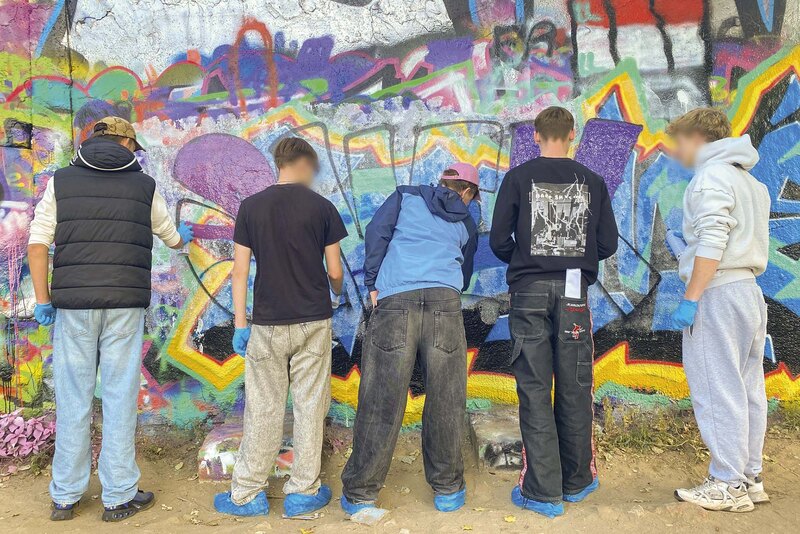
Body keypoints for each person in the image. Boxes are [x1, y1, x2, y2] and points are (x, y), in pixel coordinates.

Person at [27, 117, 194, 522]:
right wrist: (182, 237)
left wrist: (43, 300)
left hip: (73, 306)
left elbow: (37, 244)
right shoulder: (143, 186)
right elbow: (171, 237)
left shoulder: (61, 181)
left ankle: (65, 496)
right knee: (120, 397)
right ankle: (118, 496)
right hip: (124, 305)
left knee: (73, 398)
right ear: (125, 142)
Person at [489, 106, 618, 518]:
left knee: (534, 387)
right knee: (575, 385)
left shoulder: (518, 178)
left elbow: (498, 239)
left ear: (536, 135)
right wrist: (577, 257)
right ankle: (577, 481)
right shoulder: (593, 181)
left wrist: (525, 260)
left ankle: (542, 492)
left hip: (529, 290)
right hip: (575, 292)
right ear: (572, 134)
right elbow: (608, 243)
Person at [213, 137, 347, 517]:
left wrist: (241, 324)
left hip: (267, 323)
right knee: (310, 405)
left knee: (263, 406)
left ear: (278, 163)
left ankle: (246, 494)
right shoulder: (322, 207)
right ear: (304, 164)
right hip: (314, 320)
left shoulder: (251, 207)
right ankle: (303, 491)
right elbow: (335, 270)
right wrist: (336, 290)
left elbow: (240, 271)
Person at [340, 163, 479, 514]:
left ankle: (361, 494)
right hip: (445, 303)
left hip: (396, 299)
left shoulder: (405, 196)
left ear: (442, 181)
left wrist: (373, 282)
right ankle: (448, 489)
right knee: (447, 397)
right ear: (468, 192)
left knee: (381, 397)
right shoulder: (466, 221)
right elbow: (464, 270)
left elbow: (377, 233)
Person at [668, 108, 770, 513]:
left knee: (716, 388)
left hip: (718, 293)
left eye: (679, 141)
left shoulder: (710, 176)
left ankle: (727, 484)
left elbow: (714, 240)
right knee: (748, 389)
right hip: (748, 291)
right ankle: (750, 478)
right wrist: (690, 252)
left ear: (697, 137)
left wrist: (691, 297)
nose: (677, 151)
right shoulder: (751, 182)